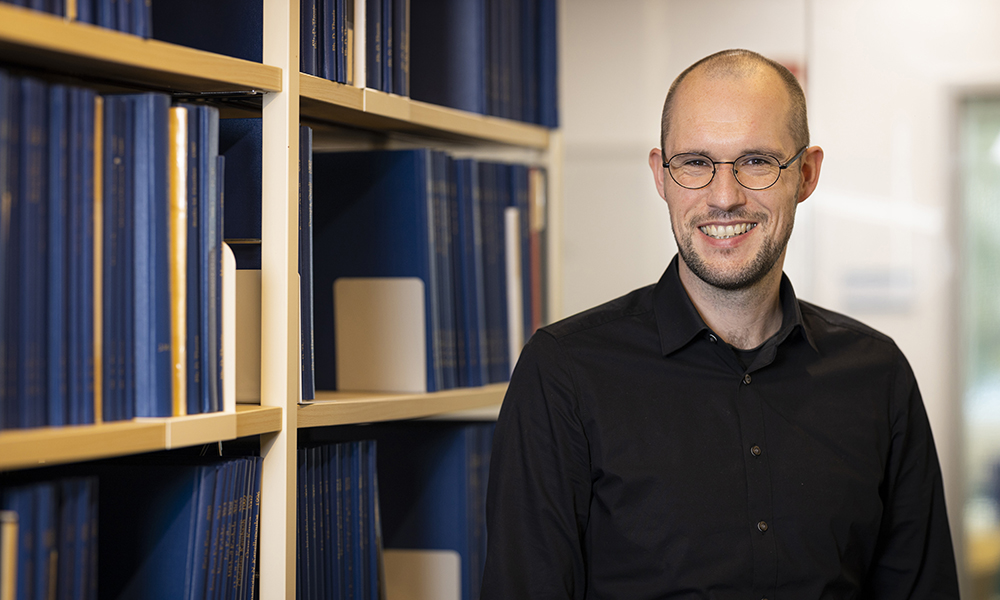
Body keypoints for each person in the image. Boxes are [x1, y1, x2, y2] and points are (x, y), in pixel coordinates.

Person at [481, 49, 959, 599]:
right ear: (661, 175)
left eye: (757, 161)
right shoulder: (563, 372)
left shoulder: (879, 376)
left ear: (805, 174)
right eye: (695, 162)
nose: (725, 196)